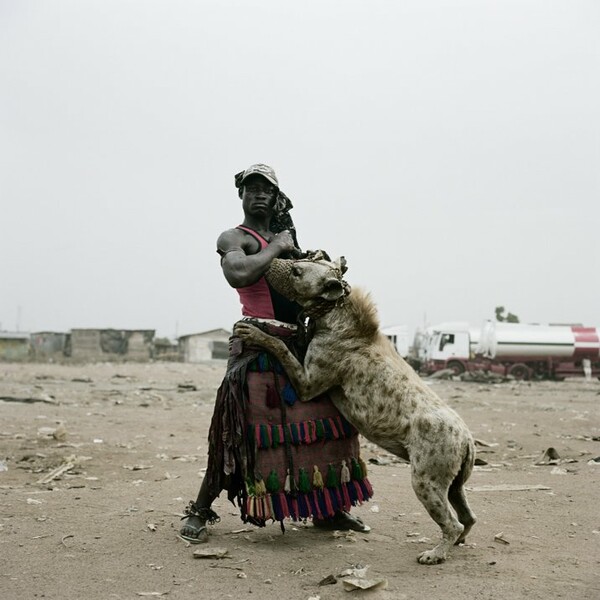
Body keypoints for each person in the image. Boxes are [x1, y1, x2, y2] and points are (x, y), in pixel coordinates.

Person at [179, 163, 373, 544]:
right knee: (237, 435)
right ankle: (200, 511)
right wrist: (279, 248)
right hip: (257, 347)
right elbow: (237, 273)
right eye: (252, 188)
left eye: (267, 189)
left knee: (328, 426)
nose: (260, 194)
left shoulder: (287, 237)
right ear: (242, 196)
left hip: (299, 347)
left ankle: (329, 510)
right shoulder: (236, 237)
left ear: (277, 196)